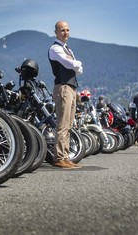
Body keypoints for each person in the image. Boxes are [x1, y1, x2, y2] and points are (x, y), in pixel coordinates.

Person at [48, 20, 83, 169]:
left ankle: (65, 156)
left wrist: (75, 63)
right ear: (56, 32)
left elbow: (79, 69)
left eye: (67, 30)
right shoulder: (55, 49)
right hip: (63, 88)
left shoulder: (67, 49)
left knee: (68, 125)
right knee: (63, 124)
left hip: (71, 88)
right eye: (62, 30)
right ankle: (59, 158)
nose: (66, 32)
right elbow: (71, 65)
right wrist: (75, 62)